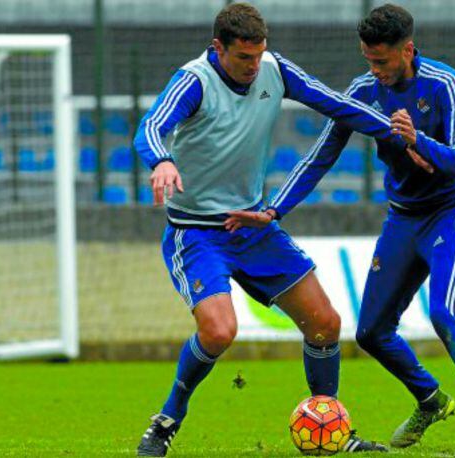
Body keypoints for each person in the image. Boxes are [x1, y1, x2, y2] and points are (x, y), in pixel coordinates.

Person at [227, 4, 455, 457]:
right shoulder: (362, 90)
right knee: (372, 333)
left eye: (381, 61)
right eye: (367, 60)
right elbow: (322, 155)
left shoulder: (446, 84)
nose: (373, 70)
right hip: (403, 216)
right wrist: (275, 210)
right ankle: (430, 400)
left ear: (408, 50)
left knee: (445, 312)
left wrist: (419, 139)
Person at [131, 3, 405, 456]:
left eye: (259, 56)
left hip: (253, 226)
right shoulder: (194, 80)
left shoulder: (275, 69)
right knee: (219, 331)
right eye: (243, 58)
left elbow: (336, 104)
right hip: (198, 233)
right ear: (217, 48)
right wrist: (161, 160)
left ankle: (331, 426)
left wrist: (403, 138)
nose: (253, 66)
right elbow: (152, 126)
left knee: (325, 323)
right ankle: (166, 421)